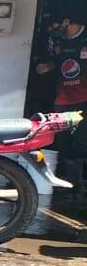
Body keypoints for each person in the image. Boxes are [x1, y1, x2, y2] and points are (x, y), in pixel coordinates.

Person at [36, 15, 87, 188]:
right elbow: (57, 63)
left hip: (83, 99)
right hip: (63, 100)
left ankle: (77, 184)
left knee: (80, 142)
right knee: (62, 142)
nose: (53, 31)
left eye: (54, 26)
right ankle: (67, 183)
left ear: (66, 22)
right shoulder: (59, 42)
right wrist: (46, 67)